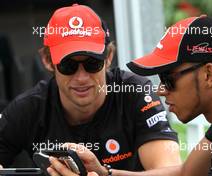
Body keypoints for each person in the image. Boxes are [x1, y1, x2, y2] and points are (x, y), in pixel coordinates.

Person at [49, 16, 212, 176]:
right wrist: (105, 173)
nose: (160, 89)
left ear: (208, 74)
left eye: (168, 78)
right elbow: (186, 174)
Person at [0, 3, 181, 176]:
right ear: (48, 61)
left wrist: (105, 174)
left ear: (109, 57)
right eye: (68, 66)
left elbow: (171, 171)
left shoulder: (134, 92)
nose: (81, 77)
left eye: (92, 63)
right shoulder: (29, 107)